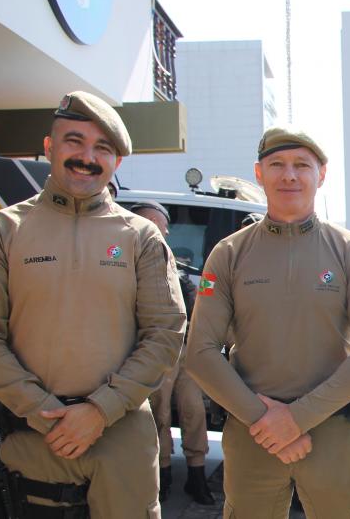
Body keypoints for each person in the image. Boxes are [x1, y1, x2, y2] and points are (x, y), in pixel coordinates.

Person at [0, 91, 185, 518]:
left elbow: (166, 333)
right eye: (74, 141)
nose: (87, 157)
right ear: (49, 147)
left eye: (103, 148)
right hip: (35, 435)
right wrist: (47, 415)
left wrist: (100, 411)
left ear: (116, 161)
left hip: (122, 439)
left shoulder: (141, 237)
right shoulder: (1, 230)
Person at [185, 125, 350, 518]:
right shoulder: (229, 254)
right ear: (259, 173)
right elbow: (199, 352)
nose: (290, 175)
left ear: (322, 174)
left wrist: (297, 419)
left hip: (332, 432)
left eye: (302, 164)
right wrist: (265, 420)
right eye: (277, 164)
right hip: (252, 434)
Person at [130, 200, 215, 505]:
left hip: (185, 352)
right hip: (154, 352)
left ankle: (196, 475)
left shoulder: (171, 263)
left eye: (162, 225)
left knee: (193, 410)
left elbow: (192, 303)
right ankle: (162, 476)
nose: (160, 230)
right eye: (151, 222)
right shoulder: (126, 263)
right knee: (160, 413)